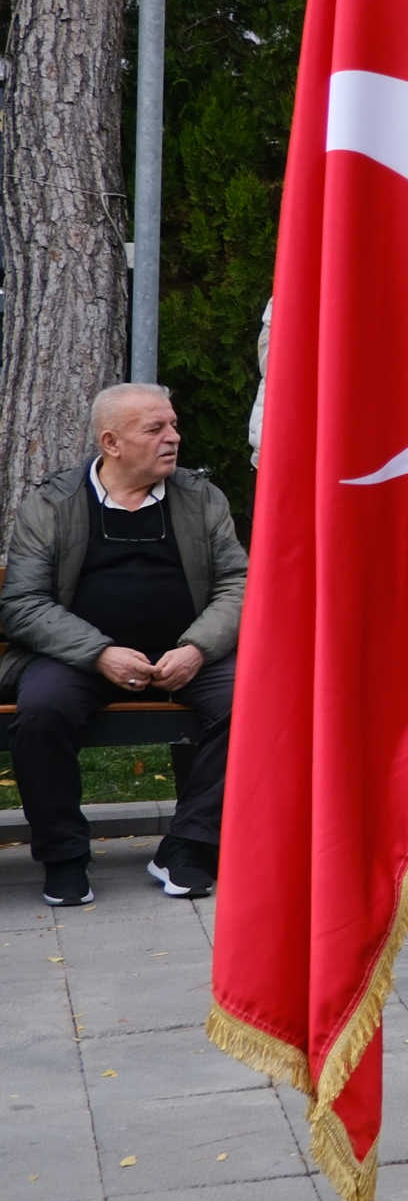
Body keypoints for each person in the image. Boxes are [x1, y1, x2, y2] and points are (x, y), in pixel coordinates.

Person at [1, 384, 246, 905]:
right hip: (80, 658)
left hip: (187, 656)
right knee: (42, 711)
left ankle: (188, 845)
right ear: (111, 442)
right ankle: (64, 855)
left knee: (251, 702)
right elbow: (22, 602)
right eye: (155, 429)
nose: (173, 438)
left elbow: (237, 584)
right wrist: (100, 653)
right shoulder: (53, 503)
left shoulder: (201, 498)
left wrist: (198, 647)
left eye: (173, 425)